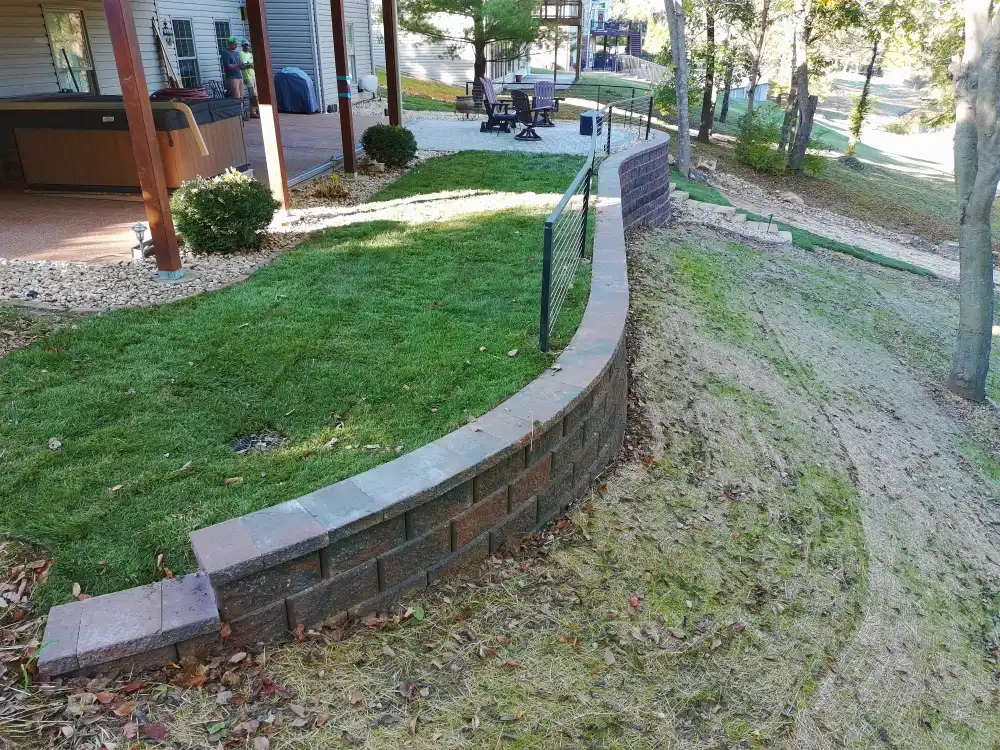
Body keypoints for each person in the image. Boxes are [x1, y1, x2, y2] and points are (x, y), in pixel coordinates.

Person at [220, 37, 247, 102]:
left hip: (239, 77)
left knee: (241, 97)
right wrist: (238, 65)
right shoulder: (225, 53)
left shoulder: (236, 53)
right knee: (236, 97)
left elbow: (239, 65)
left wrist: (244, 65)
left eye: (236, 44)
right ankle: (238, 112)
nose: (236, 46)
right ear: (229, 43)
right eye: (234, 44)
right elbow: (228, 66)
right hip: (232, 78)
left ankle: (242, 111)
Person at [239, 40, 259, 117]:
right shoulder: (241, 54)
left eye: (247, 45)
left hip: (253, 74)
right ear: (242, 46)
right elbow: (243, 65)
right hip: (247, 76)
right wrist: (249, 64)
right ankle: (253, 111)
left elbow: (252, 64)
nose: (246, 47)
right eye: (244, 45)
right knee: (253, 94)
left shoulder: (250, 54)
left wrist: (249, 64)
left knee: (255, 94)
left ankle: (255, 110)